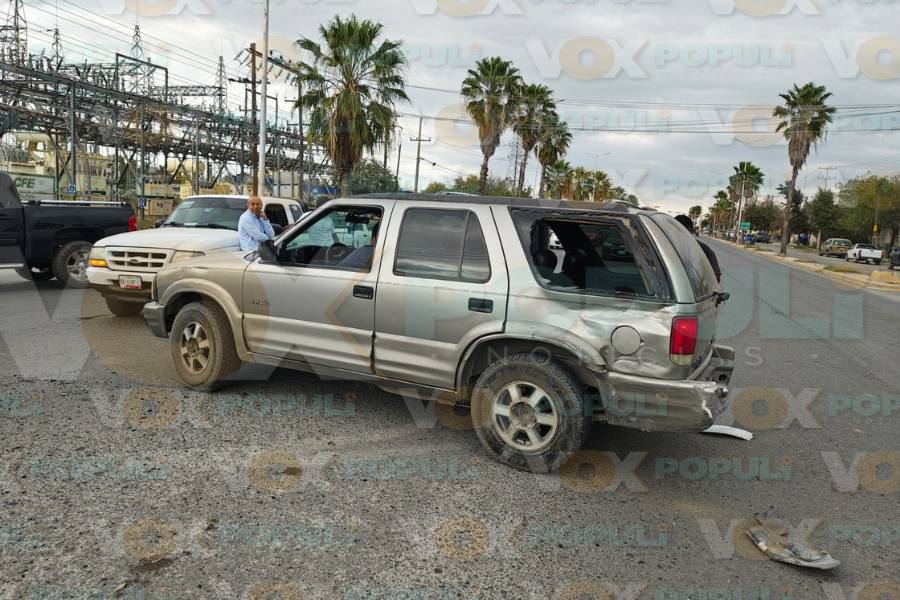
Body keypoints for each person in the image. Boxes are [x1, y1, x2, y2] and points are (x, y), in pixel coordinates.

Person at [675, 214, 721, 283]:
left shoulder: (704, 249)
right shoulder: (705, 248)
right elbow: (716, 279)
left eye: (678, 229)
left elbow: (716, 278)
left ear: (689, 230)